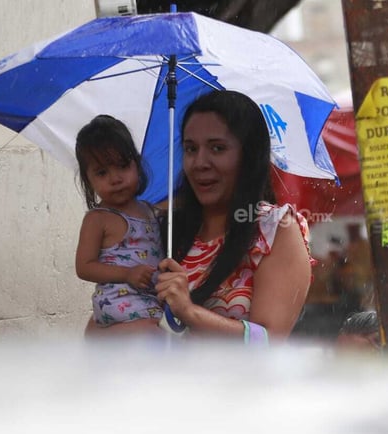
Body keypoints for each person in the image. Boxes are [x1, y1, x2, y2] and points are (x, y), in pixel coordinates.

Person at [155, 90, 313, 343]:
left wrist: (189, 312)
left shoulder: (274, 229)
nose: (200, 162)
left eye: (217, 148)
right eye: (190, 148)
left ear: (248, 156)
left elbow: (270, 341)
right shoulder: (164, 226)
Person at [74, 115, 165, 333]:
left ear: (137, 164)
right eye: (102, 172)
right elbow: (84, 266)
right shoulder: (99, 218)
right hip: (122, 303)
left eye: (122, 166)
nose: (115, 178)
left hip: (151, 302)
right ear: (88, 180)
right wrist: (127, 274)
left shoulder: (150, 210)